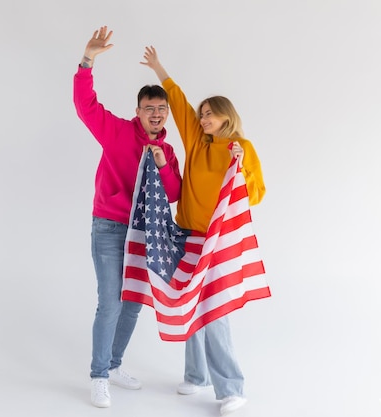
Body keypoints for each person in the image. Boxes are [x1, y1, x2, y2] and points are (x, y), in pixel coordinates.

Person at [141, 46, 266, 416]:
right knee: (188, 304)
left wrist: (240, 170)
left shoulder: (240, 148)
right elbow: (178, 104)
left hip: (220, 241)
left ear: (226, 116)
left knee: (213, 310)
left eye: (210, 114)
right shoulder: (197, 142)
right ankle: (197, 376)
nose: (203, 118)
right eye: (202, 114)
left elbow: (255, 194)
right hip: (187, 235)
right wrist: (159, 68)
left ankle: (231, 387)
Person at [73, 27, 182, 409]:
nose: (156, 114)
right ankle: (98, 375)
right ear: (138, 112)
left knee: (133, 303)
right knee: (111, 302)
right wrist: (87, 60)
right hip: (108, 227)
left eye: (161, 109)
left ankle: (115, 365)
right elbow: (86, 107)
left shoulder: (166, 149)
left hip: (143, 233)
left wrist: (163, 165)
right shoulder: (118, 132)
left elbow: (173, 195)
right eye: (149, 109)